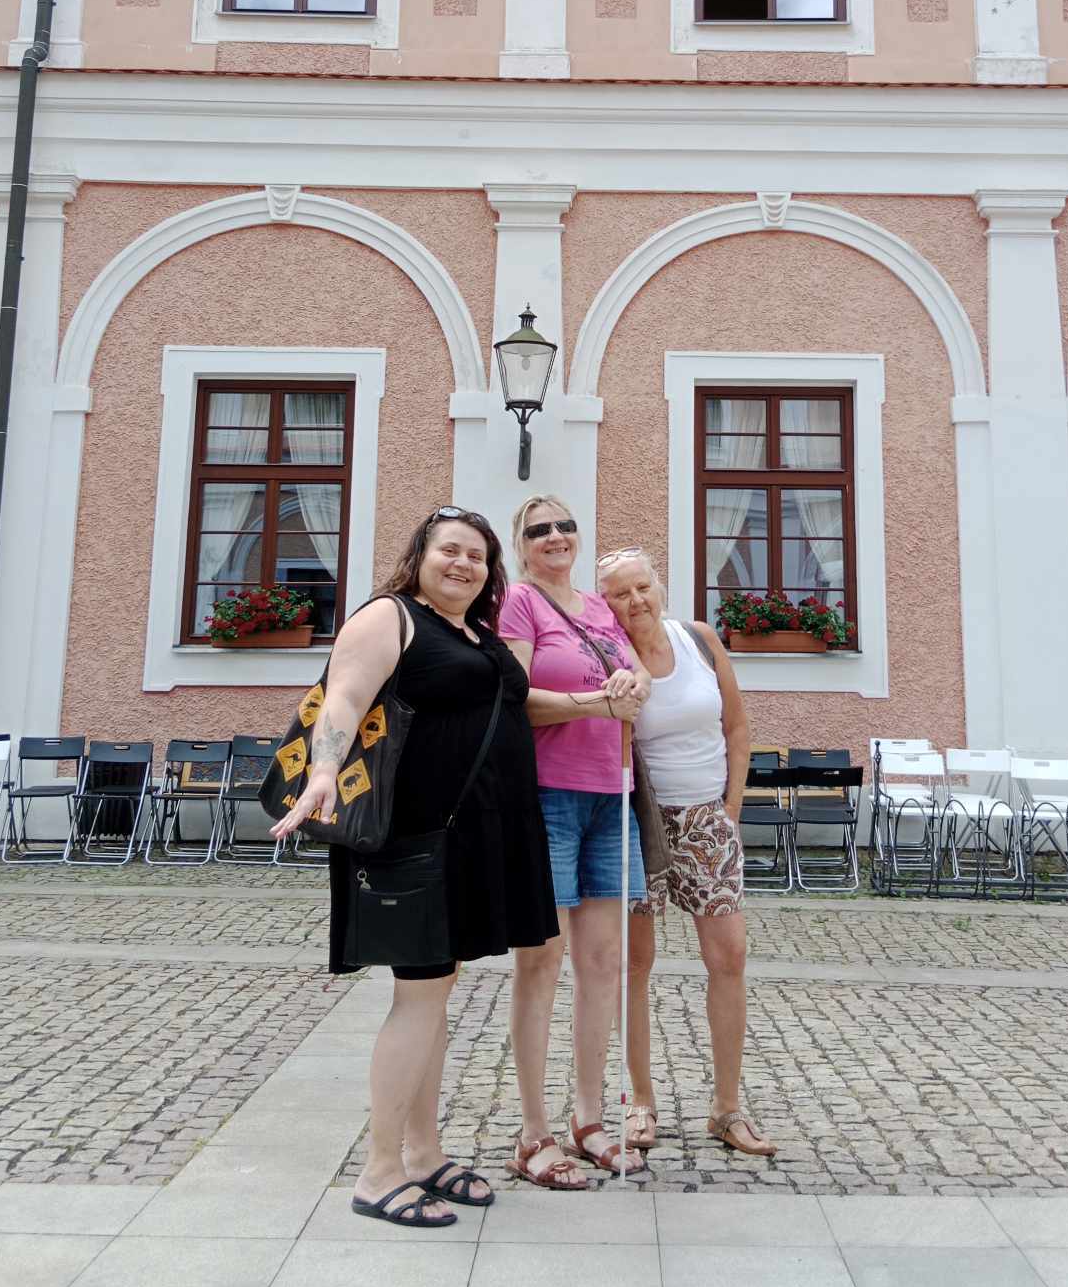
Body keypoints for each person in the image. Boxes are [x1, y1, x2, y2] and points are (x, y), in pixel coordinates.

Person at [270, 506, 558, 1230]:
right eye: (449, 550)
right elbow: (344, 697)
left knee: (436, 990)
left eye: (477, 556)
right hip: (417, 835)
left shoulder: (473, 632)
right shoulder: (389, 616)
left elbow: (513, 704)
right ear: (419, 556)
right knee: (420, 995)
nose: (463, 564)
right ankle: (379, 1171)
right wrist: (324, 772)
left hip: (474, 834)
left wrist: (595, 704)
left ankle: (424, 1153)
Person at [596, 547, 778, 1159]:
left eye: (642, 587)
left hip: (707, 816)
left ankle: (726, 1108)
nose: (635, 601)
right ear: (605, 604)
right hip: (640, 820)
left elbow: (737, 727)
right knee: (634, 963)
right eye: (620, 594)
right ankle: (640, 1102)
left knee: (728, 956)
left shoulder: (698, 639)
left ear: (659, 587)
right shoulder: (607, 654)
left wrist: (730, 809)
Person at [500, 494, 650, 1188]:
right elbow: (517, 698)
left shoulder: (598, 608)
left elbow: (639, 678)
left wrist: (633, 681)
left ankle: (590, 1119)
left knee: (603, 964)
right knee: (541, 961)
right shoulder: (519, 603)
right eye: (540, 529)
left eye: (564, 525)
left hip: (611, 798)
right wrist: (598, 702)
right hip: (549, 797)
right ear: (522, 544)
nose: (555, 536)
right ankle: (534, 1132)